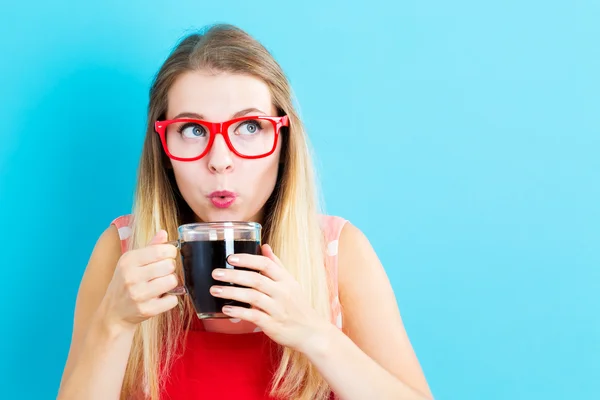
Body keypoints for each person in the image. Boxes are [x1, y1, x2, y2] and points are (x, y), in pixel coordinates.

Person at [57, 24, 434, 400]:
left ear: (283, 141)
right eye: (192, 129)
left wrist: (314, 334)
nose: (220, 160)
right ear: (163, 149)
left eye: (250, 126)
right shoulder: (123, 251)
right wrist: (114, 323)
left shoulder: (338, 254)